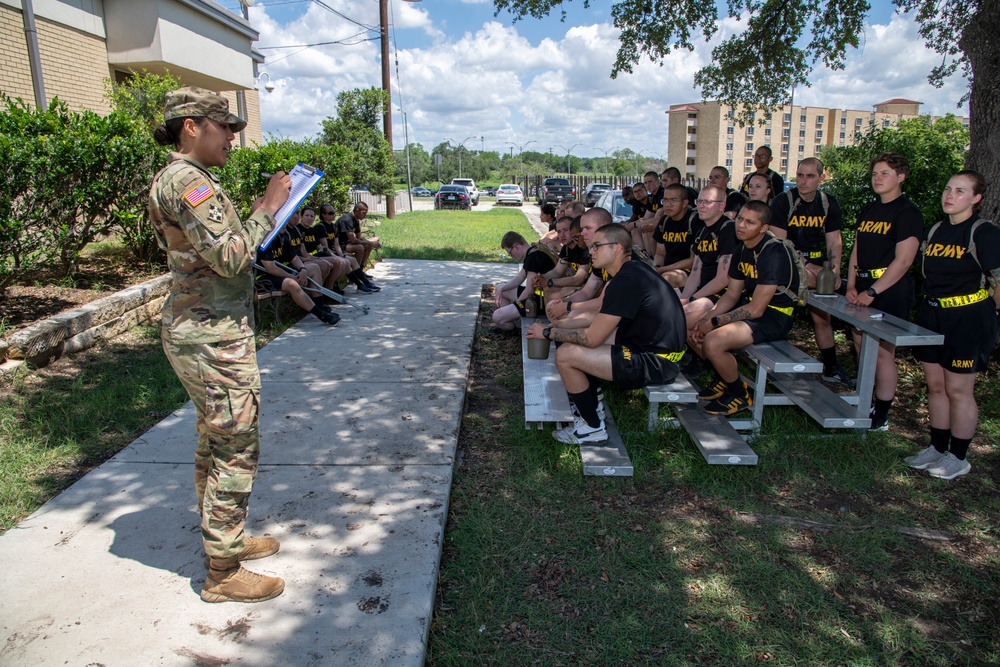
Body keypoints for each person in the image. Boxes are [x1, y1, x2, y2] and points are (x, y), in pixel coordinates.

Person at [148, 86, 289, 603]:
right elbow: (232, 258)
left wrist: (253, 215)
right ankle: (222, 574)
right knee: (236, 444)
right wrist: (269, 209)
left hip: (205, 333)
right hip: (211, 339)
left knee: (215, 438)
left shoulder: (186, 179)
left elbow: (216, 248)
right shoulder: (189, 181)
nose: (233, 135)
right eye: (223, 126)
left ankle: (223, 539)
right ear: (191, 126)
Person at [526, 223, 686, 443]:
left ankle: (592, 427)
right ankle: (593, 405)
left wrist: (547, 333)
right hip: (647, 348)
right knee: (568, 335)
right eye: (591, 247)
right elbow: (600, 318)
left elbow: (592, 339)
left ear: (617, 248)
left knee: (566, 355)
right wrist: (559, 326)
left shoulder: (626, 281)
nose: (590, 251)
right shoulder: (628, 273)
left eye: (597, 246)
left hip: (657, 361)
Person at [906, 171, 1000, 479]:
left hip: (968, 320)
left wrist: (993, 315)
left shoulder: (983, 232)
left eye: (960, 191)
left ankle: (958, 456)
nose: (950, 195)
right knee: (935, 386)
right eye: (948, 189)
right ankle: (937, 447)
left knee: (959, 389)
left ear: (975, 199)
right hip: (933, 316)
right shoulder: (935, 230)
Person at [689, 202, 799, 415]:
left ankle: (739, 393)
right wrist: (707, 319)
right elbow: (732, 294)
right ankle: (724, 378)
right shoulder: (742, 248)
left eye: (750, 222)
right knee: (690, 325)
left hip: (774, 316)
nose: (741, 225)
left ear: (764, 228)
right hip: (750, 309)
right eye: (740, 219)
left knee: (713, 340)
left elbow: (757, 309)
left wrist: (714, 323)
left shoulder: (773, 252)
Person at [845, 152, 922, 431]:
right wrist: (852, 284)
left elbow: (903, 261)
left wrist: (873, 291)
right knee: (859, 343)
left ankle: (882, 413)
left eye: (885, 173)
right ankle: (866, 399)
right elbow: (857, 249)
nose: (877, 178)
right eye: (875, 173)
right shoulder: (869, 209)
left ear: (900, 177)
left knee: (881, 352)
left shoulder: (907, 212)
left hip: (889, 289)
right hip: (863, 286)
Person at [768, 157, 854, 387]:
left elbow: (834, 241)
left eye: (810, 176)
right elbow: (780, 243)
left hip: (818, 269)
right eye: (800, 175)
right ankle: (772, 371)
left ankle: (831, 367)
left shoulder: (828, 203)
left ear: (821, 178)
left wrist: (834, 270)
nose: (803, 181)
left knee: (823, 317)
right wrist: (805, 265)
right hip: (787, 266)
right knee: (778, 316)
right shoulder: (782, 202)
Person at [256, 220, 342, 326]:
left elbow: (295, 259)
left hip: (281, 271)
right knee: (291, 284)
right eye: (282, 222)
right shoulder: (265, 243)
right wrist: (292, 277)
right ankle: (321, 315)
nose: (285, 224)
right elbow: (272, 269)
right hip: (264, 277)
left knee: (314, 268)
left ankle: (319, 304)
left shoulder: (283, 238)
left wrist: (303, 270)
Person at [492, 231, 559, 331]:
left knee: (497, 316)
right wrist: (501, 289)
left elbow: (529, 291)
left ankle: (513, 330)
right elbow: (519, 278)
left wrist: (515, 305)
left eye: (509, 253)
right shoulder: (533, 251)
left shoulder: (533, 257)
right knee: (501, 288)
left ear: (516, 247)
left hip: (542, 301)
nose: (511, 256)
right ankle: (509, 318)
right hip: (539, 296)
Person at [652, 183, 699, 288]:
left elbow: (692, 261)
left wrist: (662, 270)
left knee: (667, 279)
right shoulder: (664, 221)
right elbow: (660, 254)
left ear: (685, 203)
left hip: (689, 272)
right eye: (665, 200)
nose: (668, 204)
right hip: (666, 269)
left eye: (673, 200)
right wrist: (656, 267)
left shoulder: (695, 221)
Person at [534, 216, 590, 301]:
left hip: (590, 288)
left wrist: (549, 282)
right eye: (559, 232)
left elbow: (578, 279)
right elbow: (557, 271)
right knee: (548, 289)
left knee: (562, 291)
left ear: (573, 230)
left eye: (565, 230)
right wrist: (539, 278)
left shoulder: (584, 248)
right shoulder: (566, 249)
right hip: (582, 286)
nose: (562, 235)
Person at [337, 201, 382, 273]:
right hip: (339, 245)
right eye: (364, 213)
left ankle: (360, 270)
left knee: (368, 246)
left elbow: (359, 236)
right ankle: (355, 272)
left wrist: (369, 243)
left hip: (347, 243)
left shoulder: (356, 220)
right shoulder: (347, 220)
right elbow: (353, 240)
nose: (365, 215)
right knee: (360, 248)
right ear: (357, 210)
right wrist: (371, 243)